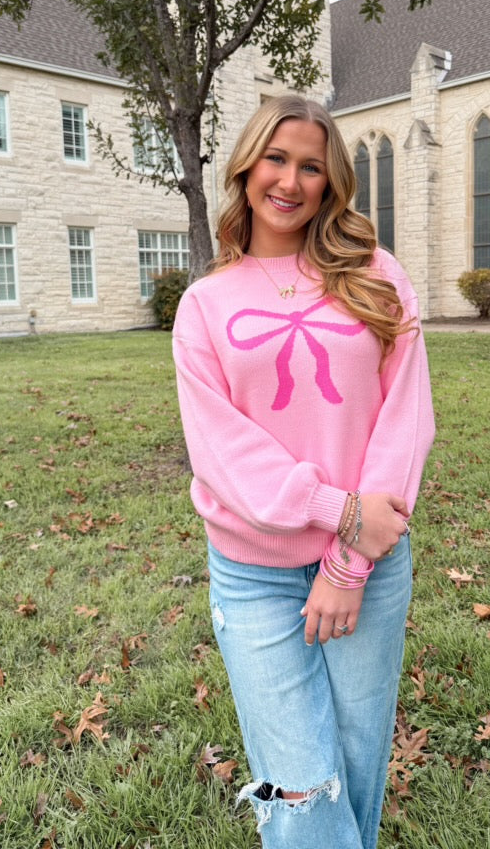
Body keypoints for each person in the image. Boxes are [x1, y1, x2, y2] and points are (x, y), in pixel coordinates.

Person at [172, 95, 435, 849]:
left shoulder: (376, 276)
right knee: (297, 785)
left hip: (370, 569)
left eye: (311, 166)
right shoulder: (206, 306)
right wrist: (336, 509)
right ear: (247, 167)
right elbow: (223, 451)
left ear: (331, 181)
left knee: (353, 763)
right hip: (255, 577)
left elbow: (404, 420)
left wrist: (349, 561)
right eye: (276, 159)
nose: (290, 180)